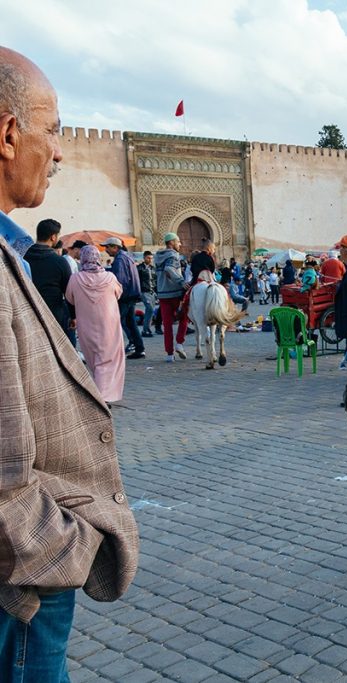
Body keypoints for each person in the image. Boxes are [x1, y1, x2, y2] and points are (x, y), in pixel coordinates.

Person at [0, 45, 139, 682]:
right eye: (52, 130)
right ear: (8, 134)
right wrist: (65, 547)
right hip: (24, 583)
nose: (59, 151)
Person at [65, 245, 126, 403]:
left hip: (86, 324)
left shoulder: (75, 278)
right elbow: (118, 293)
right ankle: (103, 395)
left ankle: (100, 393)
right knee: (109, 358)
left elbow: (69, 298)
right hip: (109, 324)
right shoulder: (110, 278)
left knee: (94, 359)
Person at [24, 218, 73, 340]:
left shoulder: (22, 257)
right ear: (53, 237)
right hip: (54, 316)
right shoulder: (60, 262)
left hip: (28, 315)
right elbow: (68, 292)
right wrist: (73, 316)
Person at [102, 237, 144, 358]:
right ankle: (139, 348)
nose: (106, 250)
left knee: (115, 322)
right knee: (131, 322)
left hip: (125, 296)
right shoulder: (127, 256)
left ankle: (113, 351)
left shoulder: (120, 259)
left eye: (108, 247)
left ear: (115, 247)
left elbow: (121, 280)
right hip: (131, 294)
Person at [155, 232, 189, 362]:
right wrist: (181, 281)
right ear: (172, 243)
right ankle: (179, 343)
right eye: (178, 241)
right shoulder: (173, 255)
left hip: (163, 294)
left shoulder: (158, 256)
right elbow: (169, 269)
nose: (180, 244)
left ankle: (169, 354)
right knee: (184, 318)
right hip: (175, 293)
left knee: (167, 325)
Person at [137, 250, 157, 337]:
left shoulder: (153, 268)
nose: (150, 260)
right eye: (148, 258)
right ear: (144, 258)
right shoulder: (139, 268)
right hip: (144, 291)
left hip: (152, 292)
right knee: (150, 309)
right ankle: (145, 330)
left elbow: (155, 280)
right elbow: (136, 280)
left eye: (151, 258)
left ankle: (147, 329)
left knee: (151, 311)